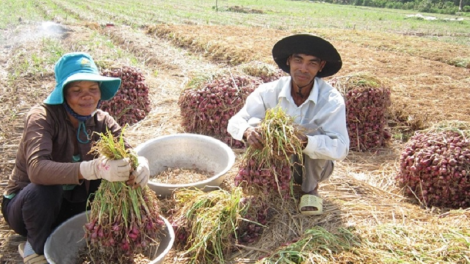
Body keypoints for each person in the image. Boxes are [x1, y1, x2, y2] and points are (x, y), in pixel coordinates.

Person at [1, 52, 150, 264]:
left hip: (72, 204)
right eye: (76, 90)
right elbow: (37, 169)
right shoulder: (42, 117)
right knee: (46, 187)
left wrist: (139, 164)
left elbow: (127, 151)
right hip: (29, 208)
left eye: (92, 89)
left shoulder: (102, 120)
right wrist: (93, 169)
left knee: (120, 174)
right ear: (63, 94)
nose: (87, 96)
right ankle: (34, 248)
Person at [227, 34, 349, 216]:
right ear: (289, 61)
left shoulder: (331, 100)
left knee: (317, 137)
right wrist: (248, 131)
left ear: (321, 66)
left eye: (312, 63)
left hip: (314, 168)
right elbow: (235, 122)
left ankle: (310, 189)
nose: (303, 69)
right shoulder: (268, 91)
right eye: (298, 60)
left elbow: (341, 148)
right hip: (276, 162)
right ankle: (264, 183)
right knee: (256, 124)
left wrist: (305, 142)